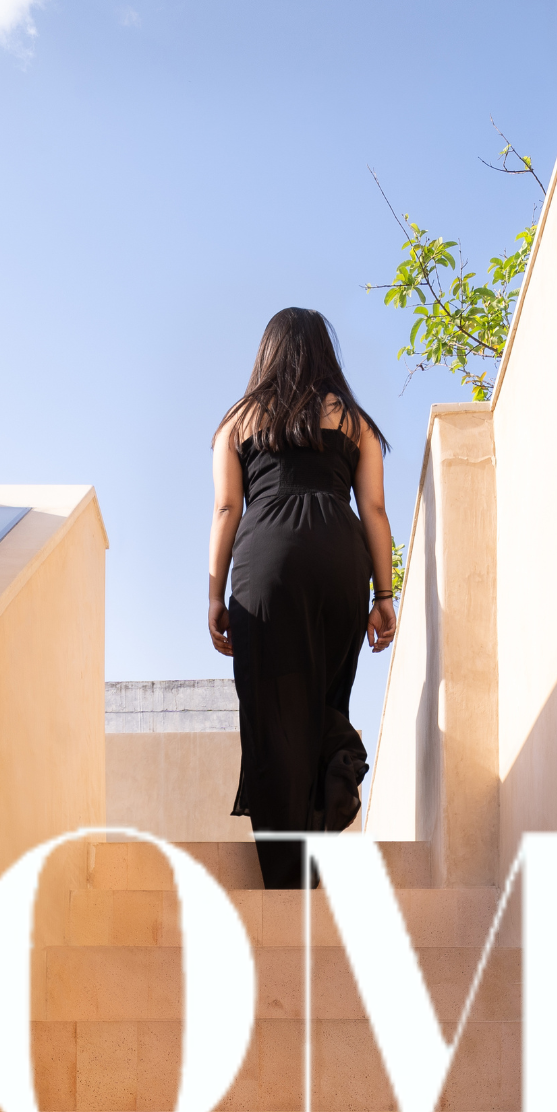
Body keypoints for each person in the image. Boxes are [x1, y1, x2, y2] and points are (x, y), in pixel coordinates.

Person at [207, 307, 399, 889]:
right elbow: (374, 510)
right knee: (324, 697)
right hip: (340, 558)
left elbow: (225, 510)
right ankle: (333, 788)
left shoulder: (237, 422)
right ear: (325, 351)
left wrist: (214, 596)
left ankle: (289, 870)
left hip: (267, 559)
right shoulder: (355, 422)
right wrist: (384, 594)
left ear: (267, 352)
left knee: (273, 711)